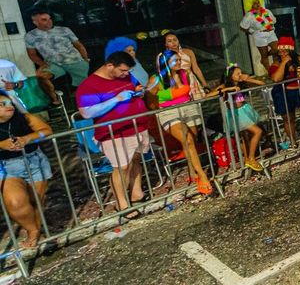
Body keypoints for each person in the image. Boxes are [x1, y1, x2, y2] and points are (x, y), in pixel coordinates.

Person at [76, 52, 153, 213]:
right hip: (113, 132)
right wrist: (116, 99)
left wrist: (139, 91)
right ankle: (121, 203)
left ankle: (136, 193)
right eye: (123, 70)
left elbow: (135, 87)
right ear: (110, 65)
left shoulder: (126, 76)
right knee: (122, 166)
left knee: (136, 159)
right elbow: (87, 113)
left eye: (128, 71)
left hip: (137, 125)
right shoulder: (88, 85)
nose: (126, 74)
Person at [154, 49, 213, 194]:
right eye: (175, 60)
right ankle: (202, 176)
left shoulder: (185, 73)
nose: (179, 62)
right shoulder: (156, 80)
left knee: (192, 140)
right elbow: (151, 102)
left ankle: (192, 171)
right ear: (166, 63)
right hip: (169, 112)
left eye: (179, 60)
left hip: (188, 108)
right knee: (187, 140)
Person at [0, 92, 53, 248]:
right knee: (16, 203)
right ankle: (33, 230)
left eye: (9, 103)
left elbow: (47, 130)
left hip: (35, 161)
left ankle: (36, 233)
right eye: (2, 104)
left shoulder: (25, 117)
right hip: (6, 167)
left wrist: (28, 138)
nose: (8, 107)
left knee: (36, 202)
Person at [25, 10, 91, 106]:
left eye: (50, 19)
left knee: (84, 90)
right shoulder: (30, 36)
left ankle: (82, 102)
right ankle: (54, 99)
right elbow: (32, 54)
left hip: (74, 60)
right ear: (35, 22)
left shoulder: (64, 30)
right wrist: (42, 64)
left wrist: (86, 59)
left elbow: (78, 45)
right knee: (41, 76)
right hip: (54, 63)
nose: (49, 21)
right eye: (44, 20)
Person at [267, 38, 300, 146]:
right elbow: (276, 79)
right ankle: (293, 142)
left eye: (285, 51)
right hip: (284, 93)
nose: (282, 53)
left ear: (291, 51)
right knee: (289, 119)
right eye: (280, 51)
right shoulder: (276, 64)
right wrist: (284, 63)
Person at [218, 65, 266, 171]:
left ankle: (248, 158)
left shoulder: (241, 84)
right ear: (230, 76)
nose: (240, 75)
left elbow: (262, 84)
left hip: (245, 109)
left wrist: (248, 79)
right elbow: (209, 95)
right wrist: (228, 89)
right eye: (237, 74)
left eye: (241, 73)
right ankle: (251, 158)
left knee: (246, 136)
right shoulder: (225, 85)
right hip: (236, 113)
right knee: (257, 132)